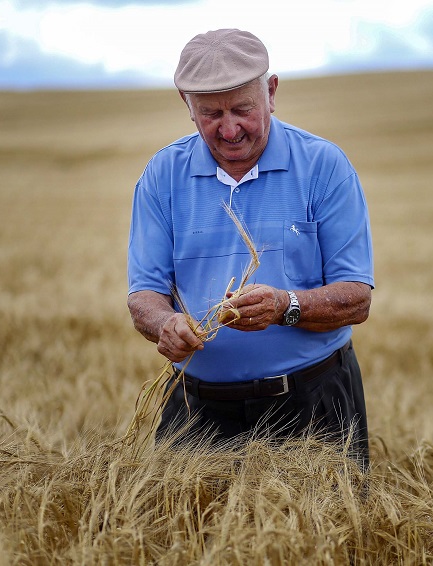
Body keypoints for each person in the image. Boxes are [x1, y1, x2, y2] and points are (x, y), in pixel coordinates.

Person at [126, 29, 374, 470]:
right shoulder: (162, 176)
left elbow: (356, 299)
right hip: (196, 411)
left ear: (271, 91)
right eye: (211, 113)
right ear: (185, 103)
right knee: (183, 537)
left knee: (328, 536)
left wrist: (285, 305)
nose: (230, 128)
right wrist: (165, 324)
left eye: (243, 108)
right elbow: (143, 296)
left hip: (312, 402)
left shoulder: (323, 166)